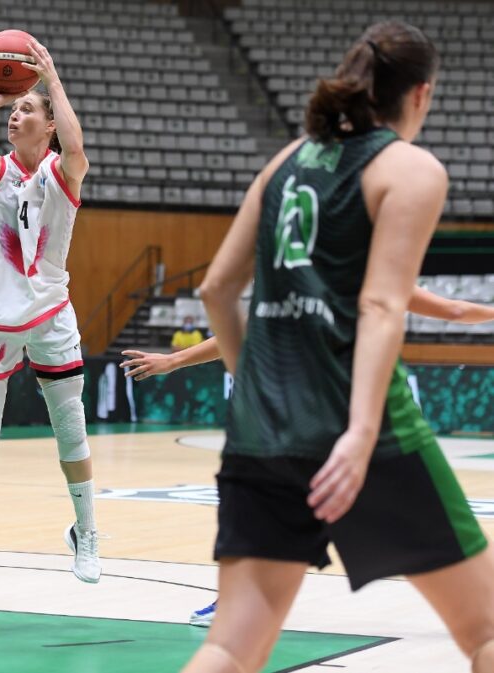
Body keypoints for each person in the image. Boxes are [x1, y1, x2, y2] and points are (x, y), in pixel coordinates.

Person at [177, 23, 494, 673]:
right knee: (487, 632)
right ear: (421, 95)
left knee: (231, 647)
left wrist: (258, 391)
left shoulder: (285, 161)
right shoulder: (410, 168)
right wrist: (360, 429)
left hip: (264, 435)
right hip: (363, 438)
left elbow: (215, 289)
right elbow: (382, 304)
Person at [122, 286, 494, 628]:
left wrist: (175, 362)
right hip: (334, 421)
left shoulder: (349, 273)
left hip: (345, 420)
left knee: (415, 518)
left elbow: (223, 297)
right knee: (280, 515)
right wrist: (174, 361)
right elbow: (455, 310)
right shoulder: (315, 278)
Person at [0, 38, 98, 592]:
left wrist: (49, 80)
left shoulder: (63, 172)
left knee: (70, 430)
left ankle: (87, 531)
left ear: (49, 125)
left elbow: (79, 152)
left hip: (51, 314)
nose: (15, 117)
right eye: (14, 110)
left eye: (25, 110)